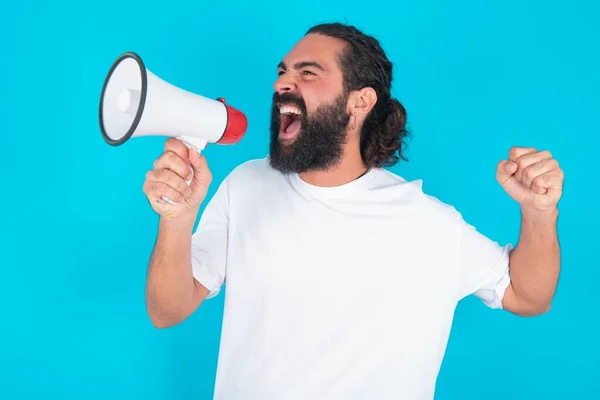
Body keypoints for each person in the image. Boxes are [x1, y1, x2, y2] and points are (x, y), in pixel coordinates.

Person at [142, 22, 563, 400]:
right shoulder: (246, 186)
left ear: (359, 101)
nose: (283, 83)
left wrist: (540, 212)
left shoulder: (428, 223)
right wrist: (176, 219)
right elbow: (167, 309)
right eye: (282, 71)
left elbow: (528, 295)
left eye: (307, 72)